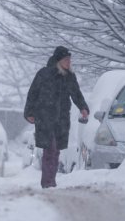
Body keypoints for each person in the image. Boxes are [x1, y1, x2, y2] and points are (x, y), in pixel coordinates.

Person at [24, 45, 90, 188]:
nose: (69, 62)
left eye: (69, 60)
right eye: (66, 60)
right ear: (58, 60)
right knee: (50, 149)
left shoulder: (69, 77)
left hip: (61, 119)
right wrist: (29, 112)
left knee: (56, 151)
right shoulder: (44, 74)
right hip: (45, 118)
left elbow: (76, 94)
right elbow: (33, 93)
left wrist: (83, 107)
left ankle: (50, 180)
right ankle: (48, 182)